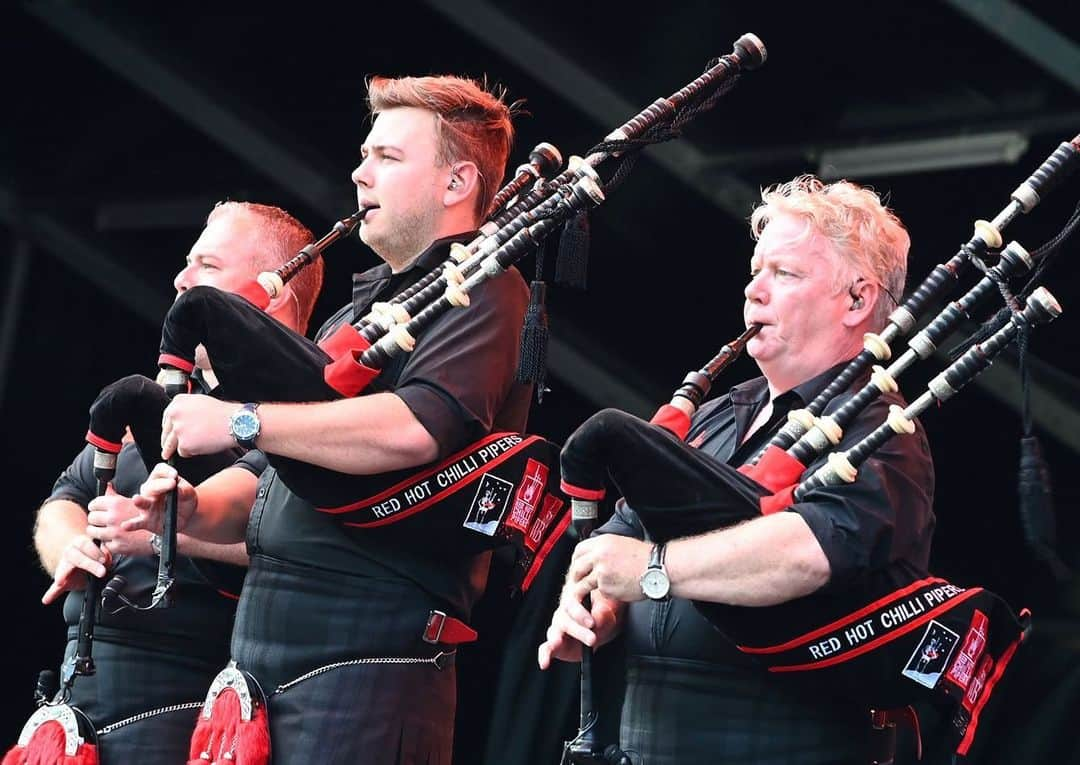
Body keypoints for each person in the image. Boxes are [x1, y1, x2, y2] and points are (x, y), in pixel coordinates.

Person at [117, 75, 530, 764]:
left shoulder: (485, 288)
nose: (358, 171)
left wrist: (244, 420)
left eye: (388, 157)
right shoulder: (352, 315)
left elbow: (416, 427)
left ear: (457, 183)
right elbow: (277, 477)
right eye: (365, 153)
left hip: (367, 669)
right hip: (268, 669)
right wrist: (192, 511)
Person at [539, 175, 935, 765]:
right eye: (756, 270)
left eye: (786, 274)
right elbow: (618, 539)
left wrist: (651, 570)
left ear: (857, 300)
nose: (755, 291)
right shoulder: (715, 416)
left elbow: (807, 553)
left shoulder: (886, 433)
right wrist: (595, 605)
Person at [33, 201, 322, 761]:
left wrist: (160, 534)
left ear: (275, 289)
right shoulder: (169, 402)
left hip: (189, 710)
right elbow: (64, 498)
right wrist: (70, 545)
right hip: (77, 706)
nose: (180, 281)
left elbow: (290, 534)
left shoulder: (301, 415)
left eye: (207, 267)